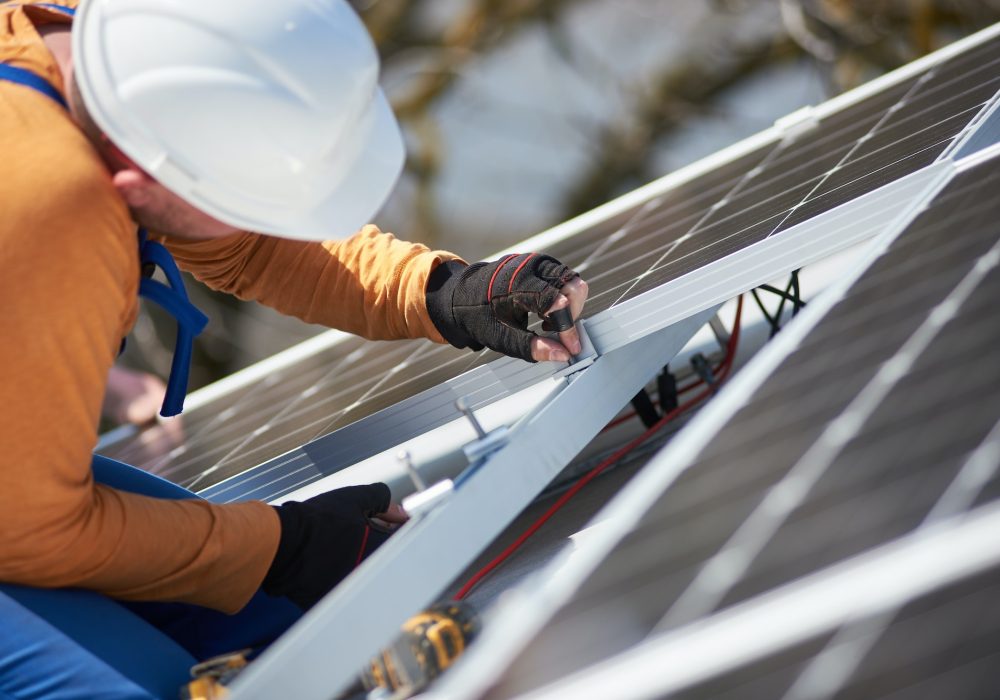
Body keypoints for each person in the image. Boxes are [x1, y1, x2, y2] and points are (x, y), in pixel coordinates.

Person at [0, 0, 588, 697]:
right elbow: (32, 530)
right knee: (154, 684)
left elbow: (247, 246)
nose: (249, 221)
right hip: (22, 514)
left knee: (274, 618)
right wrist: (286, 545)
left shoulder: (109, 52)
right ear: (134, 182)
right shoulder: (49, 196)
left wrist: (440, 292)